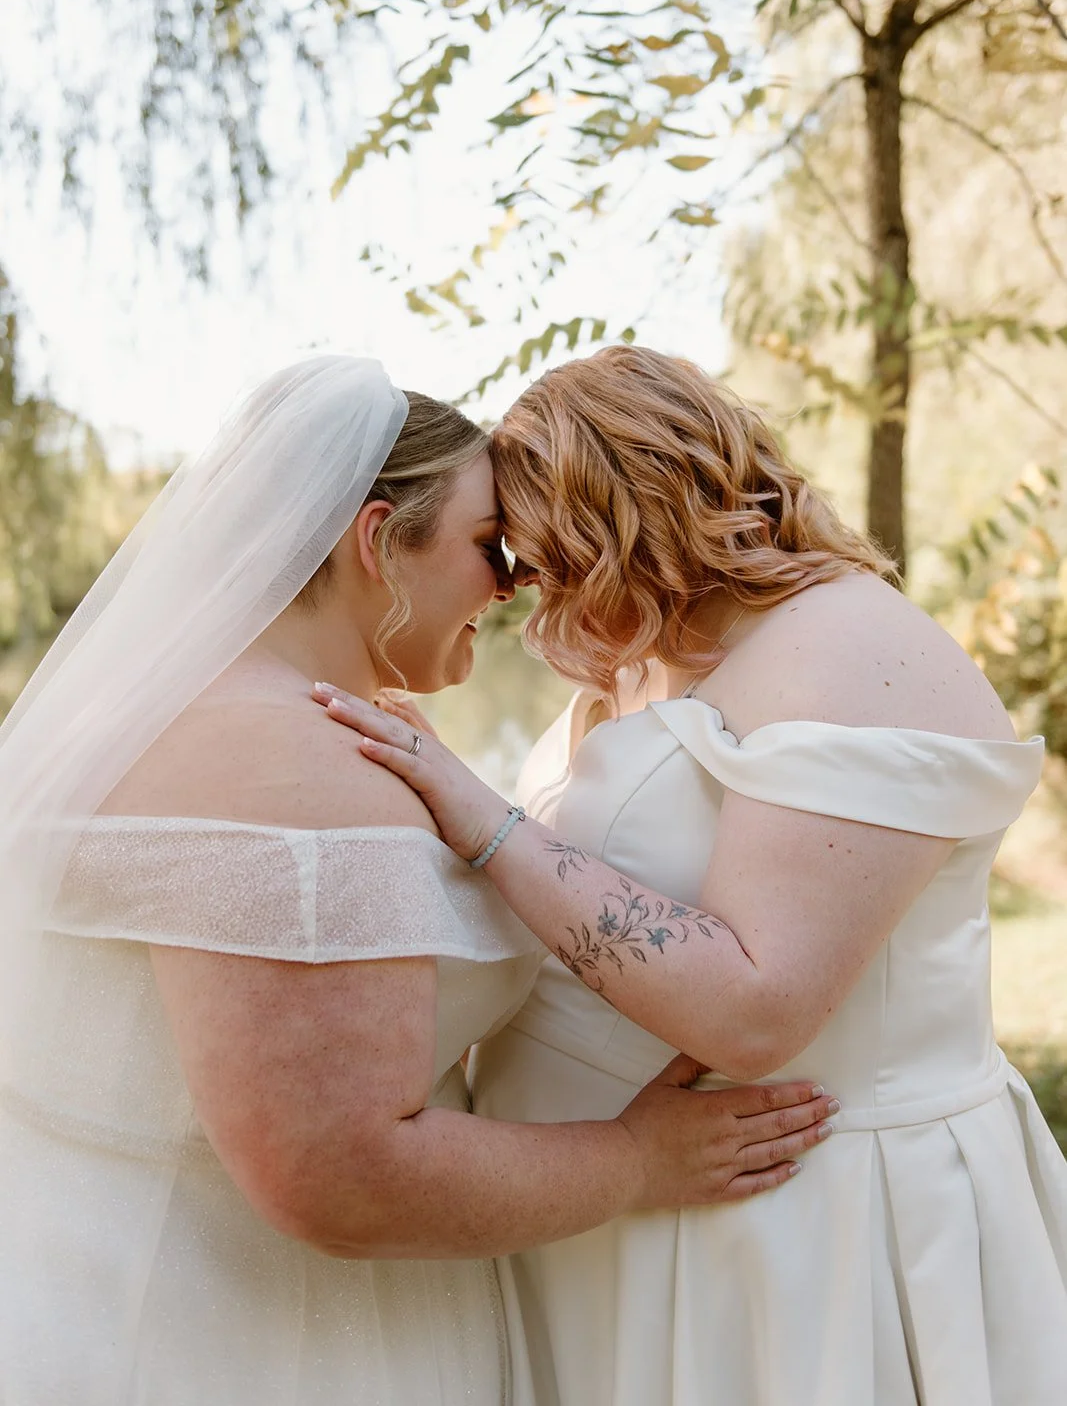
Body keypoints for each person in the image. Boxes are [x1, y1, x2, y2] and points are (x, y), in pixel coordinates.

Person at [0, 355, 834, 1406]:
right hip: (253, 1344)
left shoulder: (202, 718)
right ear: (375, 540)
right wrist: (637, 1161)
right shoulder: (293, 769)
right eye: (489, 546)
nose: (517, 581)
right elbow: (340, 1177)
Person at [321, 345, 1067, 1406]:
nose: (521, 591)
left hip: (792, 1237)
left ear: (616, 512)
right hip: (615, 1226)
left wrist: (482, 818)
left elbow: (757, 1010)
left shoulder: (848, 651)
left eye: (533, 552)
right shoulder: (657, 649)